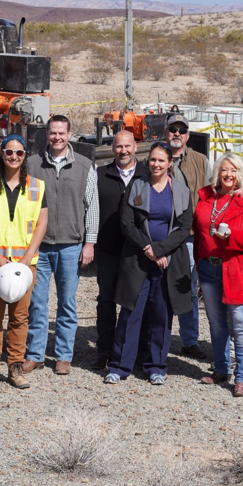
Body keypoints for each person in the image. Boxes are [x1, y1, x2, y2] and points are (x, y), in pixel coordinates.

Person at [106, 142, 194, 386]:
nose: (156, 164)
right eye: (153, 160)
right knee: (130, 313)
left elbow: (184, 227)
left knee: (161, 315)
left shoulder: (181, 191)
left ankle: (156, 366)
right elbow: (127, 223)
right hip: (137, 259)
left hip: (168, 262)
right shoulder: (138, 185)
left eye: (161, 161)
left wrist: (160, 249)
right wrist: (149, 249)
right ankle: (119, 366)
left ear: (169, 163)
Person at [23, 114, 98, 376]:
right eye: (53, 133)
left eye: (61, 133)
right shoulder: (32, 165)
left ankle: (64, 356)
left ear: (70, 134)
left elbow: (92, 208)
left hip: (71, 245)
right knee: (37, 302)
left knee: (67, 303)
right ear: (47, 135)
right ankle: (34, 354)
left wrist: (89, 243)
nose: (57, 137)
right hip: (39, 246)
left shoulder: (85, 166)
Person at [0, 135, 48, 391]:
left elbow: (41, 224)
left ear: (25, 155)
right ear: (1, 153)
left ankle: (15, 367)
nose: (14, 157)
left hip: (25, 265)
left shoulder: (38, 187)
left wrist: (27, 259)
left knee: (19, 318)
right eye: (9, 152)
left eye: (19, 153)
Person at [194, 152, 243, 397]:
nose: (229, 174)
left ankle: (242, 377)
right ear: (217, 173)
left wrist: (231, 236)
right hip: (208, 268)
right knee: (216, 323)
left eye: (234, 170)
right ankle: (221, 368)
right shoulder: (206, 197)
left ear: (241, 173)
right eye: (224, 170)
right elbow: (198, 232)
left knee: (241, 324)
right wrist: (199, 261)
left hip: (236, 269)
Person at [93, 130, 146, 370]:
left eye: (127, 146)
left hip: (138, 252)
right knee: (106, 302)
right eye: (118, 147)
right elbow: (90, 210)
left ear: (135, 146)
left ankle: (135, 351)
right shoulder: (100, 174)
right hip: (108, 250)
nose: (123, 151)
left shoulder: (147, 174)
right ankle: (104, 351)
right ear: (112, 148)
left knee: (135, 302)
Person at [165, 113, 209, 359]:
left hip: (191, 237)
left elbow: (211, 196)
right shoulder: (156, 158)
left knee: (187, 289)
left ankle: (189, 340)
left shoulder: (201, 161)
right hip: (162, 237)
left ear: (188, 135)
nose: (177, 134)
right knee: (160, 288)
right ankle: (157, 337)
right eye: (173, 129)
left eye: (182, 130)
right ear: (166, 132)